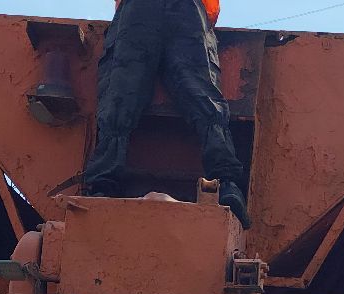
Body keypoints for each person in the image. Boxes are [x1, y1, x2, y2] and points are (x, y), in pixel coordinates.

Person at [81, 0, 250, 228]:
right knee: (204, 98)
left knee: (121, 96)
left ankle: (102, 186)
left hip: (143, 10)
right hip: (186, 10)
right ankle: (227, 185)